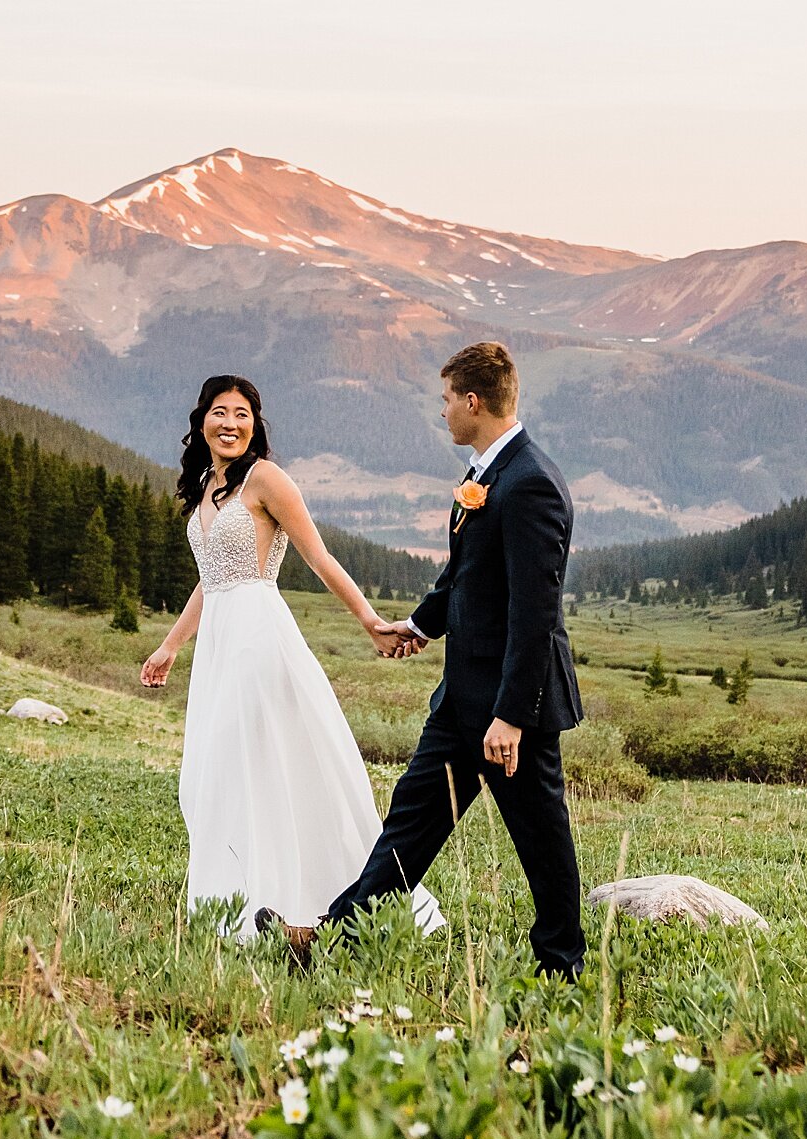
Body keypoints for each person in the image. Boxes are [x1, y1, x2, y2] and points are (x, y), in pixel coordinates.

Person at [262, 341, 585, 978]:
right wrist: (415, 626)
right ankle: (329, 942)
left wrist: (512, 716)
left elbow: (533, 612)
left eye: (446, 401)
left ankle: (562, 967)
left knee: (541, 840)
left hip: (508, 711)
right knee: (407, 829)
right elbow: (465, 576)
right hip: (460, 700)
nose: (442, 413)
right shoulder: (489, 474)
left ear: (473, 401)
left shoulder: (530, 484)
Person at [141, 375, 441, 940]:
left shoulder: (266, 479)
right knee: (216, 771)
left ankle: (291, 901)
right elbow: (212, 579)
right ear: (200, 421)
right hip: (218, 647)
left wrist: (371, 622)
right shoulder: (208, 484)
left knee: (261, 762)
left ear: (255, 424)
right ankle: (233, 900)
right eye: (219, 412)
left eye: (243, 414)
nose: (230, 424)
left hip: (258, 636)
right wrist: (171, 645)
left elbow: (320, 557)